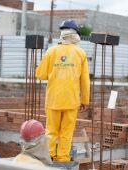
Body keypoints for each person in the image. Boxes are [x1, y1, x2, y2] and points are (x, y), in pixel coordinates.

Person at [36, 19, 90, 161]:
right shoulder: (80, 53)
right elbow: (85, 80)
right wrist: (85, 100)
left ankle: (49, 157)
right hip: (71, 101)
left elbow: (40, 74)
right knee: (67, 132)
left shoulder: (51, 51)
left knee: (51, 131)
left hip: (53, 99)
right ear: (76, 35)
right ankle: (63, 159)